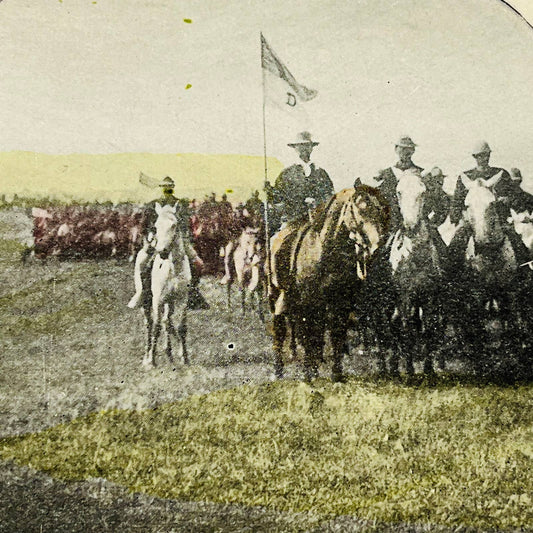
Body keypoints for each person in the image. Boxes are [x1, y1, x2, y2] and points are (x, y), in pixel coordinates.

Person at [127, 176, 204, 309]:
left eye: (169, 187)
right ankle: (141, 292)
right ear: (161, 188)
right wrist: (150, 236)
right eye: (164, 187)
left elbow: (187, 224)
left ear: (172, 188)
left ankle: (193, 291)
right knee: (141, 262)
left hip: (178, 239)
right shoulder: (153, 204)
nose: (167, 190)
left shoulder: (181, 205)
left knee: (198, 264)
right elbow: (144, 225)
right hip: (156, 239)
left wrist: (185, 234)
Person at [265, 131, 334, 233]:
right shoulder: (287, 174)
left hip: (317, 221)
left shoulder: (321, 173)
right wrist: (269, 191)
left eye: (307, 145)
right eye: (300, 146)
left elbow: (329, 196)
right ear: (295, 149)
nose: (304, 149)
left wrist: (316, 202)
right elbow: (278, 198)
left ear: (311, 148)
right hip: (293, 222)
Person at [449, 141, 512, 225]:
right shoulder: (465, 177)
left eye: (487, 155)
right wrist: (457, 217)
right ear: (475, 157)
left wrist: (506, 199)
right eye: (481, 155)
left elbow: (513, 193)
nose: (485, 158)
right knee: (460, 235)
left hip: (499, 218)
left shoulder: (502, 174)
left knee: (511, 234)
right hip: (472, 219)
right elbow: (457, 200)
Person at [374, 135, 424, 234]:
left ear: (413, 151)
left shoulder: (420, 173)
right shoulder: (386, 174)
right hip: (391, 222)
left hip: (415, 220)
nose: (405, 152)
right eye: (402, 149)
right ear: (396, 150)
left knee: (437, 243)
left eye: (409, 149)